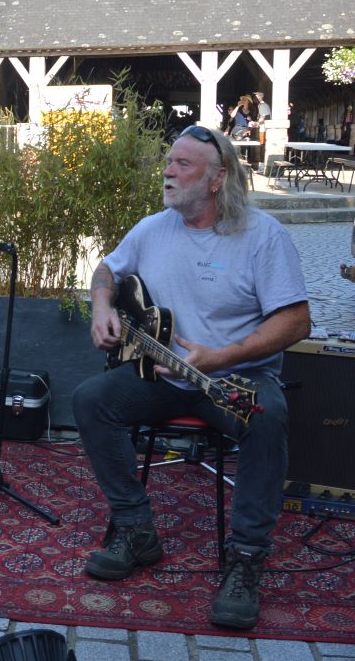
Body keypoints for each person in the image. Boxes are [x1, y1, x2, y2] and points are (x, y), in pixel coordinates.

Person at [71, 125, 310, 630]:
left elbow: (296, 321)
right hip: (163, 375)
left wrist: (223, 357)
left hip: (234, 379)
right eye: (168, 161)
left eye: (182, 164)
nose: (168, 170)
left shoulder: (264, 236)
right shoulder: (152, 228)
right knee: (92, 400)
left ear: (218, 178)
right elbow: (105, 273)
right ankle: (136, 529)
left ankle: (246, 556)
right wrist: (100, 309)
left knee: (267, 417)